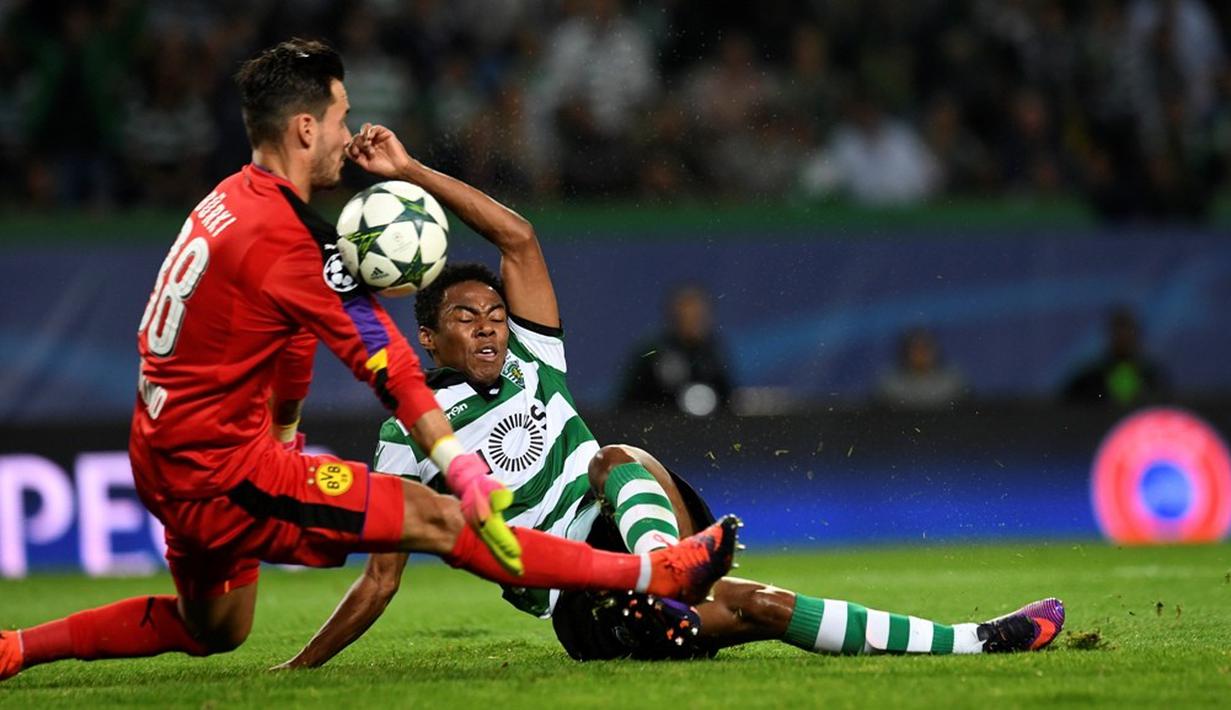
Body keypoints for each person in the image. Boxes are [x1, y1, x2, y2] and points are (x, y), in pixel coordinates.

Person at [0, 39, 737, 682]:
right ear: (304, 126)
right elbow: (386, 362)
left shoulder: (224, 202)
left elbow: (288, 342)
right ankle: (651, 568)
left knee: (214, 628)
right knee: (441, 519)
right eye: (342, 116)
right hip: (222, 470)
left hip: (162, 454)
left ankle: (15, 648)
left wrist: (286, 428)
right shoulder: (290, 240)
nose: (347, 134)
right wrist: (459, 461)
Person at [275, 149, 1066, 668]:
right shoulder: (404, 431)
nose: (487, 328)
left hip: (635, 542)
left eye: (494, 317)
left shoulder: (535, 366)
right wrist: (294, 671)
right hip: (579, 602)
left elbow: (517, 239)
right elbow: (380, 579)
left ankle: (969, 641)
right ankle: (973, 641)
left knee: (619, 459)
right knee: (758, 605)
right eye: (465, 319)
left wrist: (411, 171)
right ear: (428, 336)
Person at [619, 284, 733, 416]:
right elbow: (626, 403)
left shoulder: (714, 354)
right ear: (674, 316)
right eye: (686, 314)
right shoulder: (653, 352)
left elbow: (728, 401)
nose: (692, 321)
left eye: (697, 316)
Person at [1063, 306, 1168, 405]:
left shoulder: (1150, 374)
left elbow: (1163, 404)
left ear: (1136, 335)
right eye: (1118, 332)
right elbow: (1066, 404)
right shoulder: (1091, 377)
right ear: (1110, 335)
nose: (1123, 338)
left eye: (1127, 332)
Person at [875, 327, 967, 409]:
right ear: (906, 352)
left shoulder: (951, 382)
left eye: (925, 348)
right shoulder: (891, 385)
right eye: (916, 349)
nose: (921, 354)